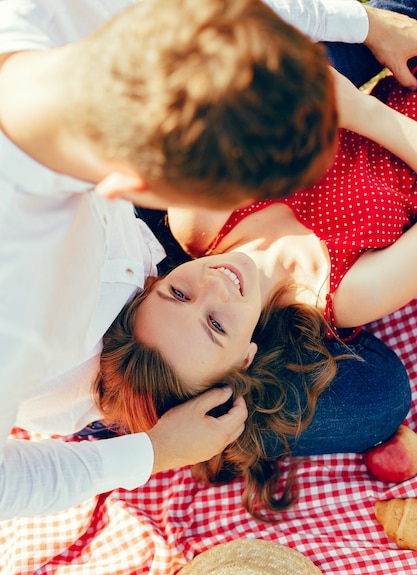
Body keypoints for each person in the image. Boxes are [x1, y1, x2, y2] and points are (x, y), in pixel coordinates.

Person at [0, 0, 415, 520]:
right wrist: (155, 452)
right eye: (254, 185)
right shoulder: (26, 321)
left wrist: (367, 23)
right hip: (149, 373)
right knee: (379, 396)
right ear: (137, 188)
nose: (218, 282)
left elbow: (223, 20)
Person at [95, 73, 417, 519]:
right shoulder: (345, 294)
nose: (214, 285)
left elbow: (245, 88)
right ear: (246, 357)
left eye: (179, 293)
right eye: (216, 323)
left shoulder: (197, 222)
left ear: (154, 279)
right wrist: (363, 114)